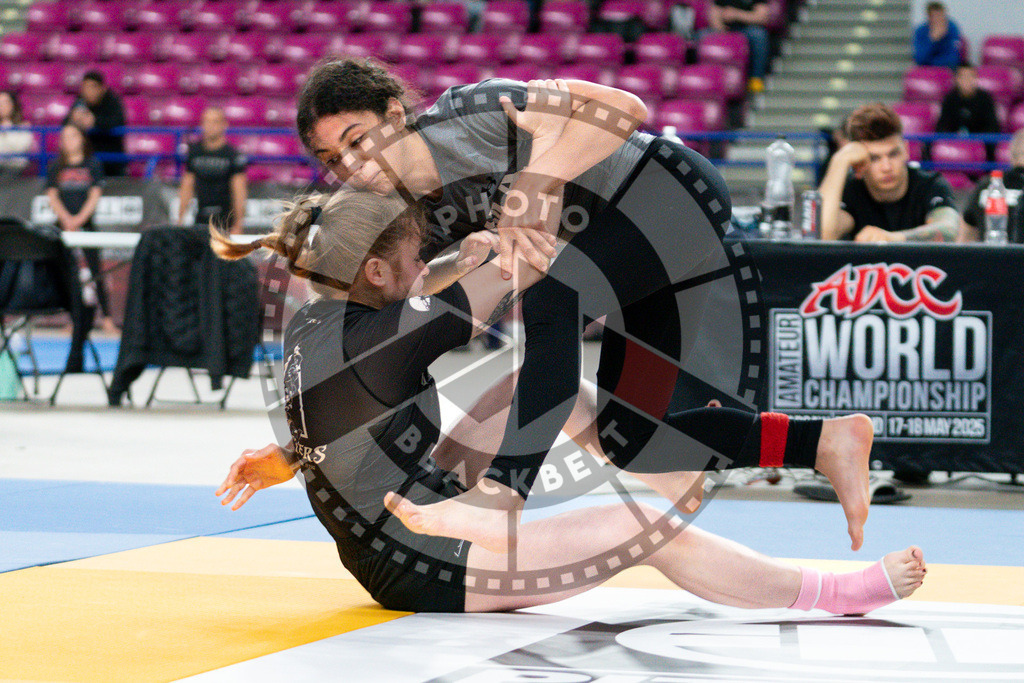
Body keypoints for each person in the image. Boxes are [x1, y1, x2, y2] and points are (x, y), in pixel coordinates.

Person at [212, 188, 926, 614]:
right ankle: (835, 592)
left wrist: (291, 455)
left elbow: (361, 375)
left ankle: (710, 462)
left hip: (414, 503)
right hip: (419, 561)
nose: (422, 263)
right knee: (646, 529)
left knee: (554, 390)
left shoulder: (317, 318)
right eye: (412, 256)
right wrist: (532, 220)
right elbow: (512, 275)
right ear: (373, 271)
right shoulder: (386, 339)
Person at [295, 61, 875, 554]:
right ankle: (824, 442)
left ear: (395, 115)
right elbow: (413, 289)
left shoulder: (469, 112)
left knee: (554, 300)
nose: (351, 166)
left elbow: (625, 107)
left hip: (670, 193)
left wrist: (533, 183)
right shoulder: (404, 211)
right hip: (628, 246)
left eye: (357, 141)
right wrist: (461, 262)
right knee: (632, 440)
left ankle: (502, 497)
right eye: (332, 159)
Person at [818, 102, 962, 243]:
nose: (886, 167)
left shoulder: (930, 184)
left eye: (893, 154)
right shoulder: (851, 190)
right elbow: (822, 235)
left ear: (906, 150)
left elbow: (948, 231)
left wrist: (891, 239)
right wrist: (840, 160)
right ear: (859, 163)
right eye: (874, 158)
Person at [45, 124, 117, 333]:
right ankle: (73, 318)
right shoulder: (56, 166)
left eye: (73, 136)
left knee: (96, 272)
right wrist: (66, 220)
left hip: (86, 225)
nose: (69, 141)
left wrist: (78, 220)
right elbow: (52, 196)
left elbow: (94, 195)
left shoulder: (92, 165)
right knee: (68, 274)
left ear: (82, 139)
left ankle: (107, 318)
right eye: (65, 137)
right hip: (63, 228)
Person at [177, 107, 248, 234]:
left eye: (215, 122)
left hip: (226, 221)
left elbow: (239, 191)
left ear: (224, 125)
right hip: (200, 219)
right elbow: (187, 186)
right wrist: (180, 219)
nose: (210, 126)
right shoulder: (194, 152)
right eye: (207, 121)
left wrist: (238, 224)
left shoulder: (232, 155)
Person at [960, 129, 1024, 243]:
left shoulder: (987, 184)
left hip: (989, 251)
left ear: (1012, 156)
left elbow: (965, 236)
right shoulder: (988, 184)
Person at [64, 71, 127, 177]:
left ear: (102, 88)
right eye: (86, 87)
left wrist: (95, 121)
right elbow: (65, 124)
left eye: (93, 87)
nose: (89, 91)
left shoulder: (112, 100)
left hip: (111, 162)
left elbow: (118, 122)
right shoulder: (80, 101)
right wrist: (73, 119)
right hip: (86, 162)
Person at [936, 63, 1001, 162]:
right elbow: (942, 125)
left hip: (981, 142)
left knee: (992, 146)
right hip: (954, 142)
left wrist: (977, 139)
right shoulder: (949, 99)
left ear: (975, 79)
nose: (967, 80)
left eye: (970, 77)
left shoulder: (985, 99)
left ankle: (989, 171)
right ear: (957, 79)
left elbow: (993, 126)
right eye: (963, 77)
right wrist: (954, 137)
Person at [707, 0, 771, 93]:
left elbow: (762, 17)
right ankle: (709, 79)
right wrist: (720, 29)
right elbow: (714, 14)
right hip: (725, 29)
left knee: (759, 35)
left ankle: (756, 78)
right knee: (702, 36)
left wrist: (736, 14)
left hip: (747, 28)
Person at [913, 2, 963, 68]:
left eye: (941, 15)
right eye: (935, 16)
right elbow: (920, 59)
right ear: (929, 17)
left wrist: (935, 63)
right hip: (927, 68)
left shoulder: (952, 28)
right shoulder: (920, 31)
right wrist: (932, 40)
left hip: (947, 67)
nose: (939, 19)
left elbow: (954, 57)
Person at [0, 90, 33, 181]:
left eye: (6, 102)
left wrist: (7, 130)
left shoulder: (24, 125)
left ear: (13, 104)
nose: (2, 106)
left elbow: (21, 148)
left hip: (16, 169)